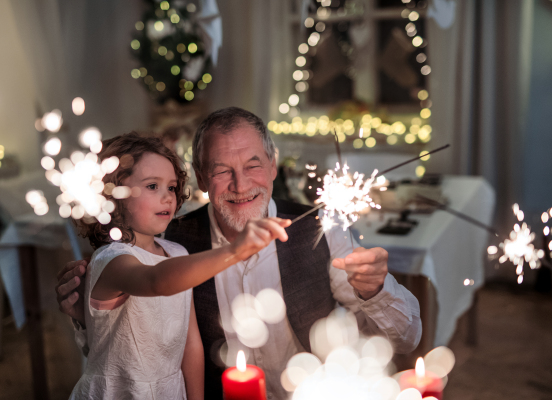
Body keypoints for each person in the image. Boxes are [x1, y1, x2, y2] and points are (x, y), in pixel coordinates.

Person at [57, 108, 422, 400]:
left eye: (253, 165)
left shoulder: (321, 229)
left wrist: (374, 291)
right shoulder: (172, 242)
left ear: (273, 165)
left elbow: (406, 339)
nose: (241, 184)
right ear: (201, 178)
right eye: (221, 171)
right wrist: (83, 311)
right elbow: (131, 331)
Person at [67, 133, 290, 400]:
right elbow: (155, 281)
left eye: (172, 187)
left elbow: (190, 343)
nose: (167, 198)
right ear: (112, 195)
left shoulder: (176, 252)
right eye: (152, 186)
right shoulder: (111, 259)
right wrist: (234, 251)